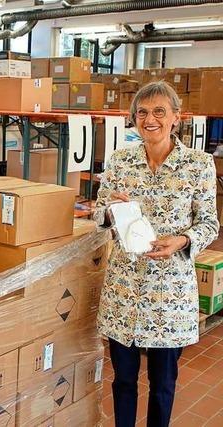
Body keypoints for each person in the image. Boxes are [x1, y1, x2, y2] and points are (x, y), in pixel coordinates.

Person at [93, 80, 219, 427]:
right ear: (134, 118)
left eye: (159, 112)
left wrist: (182, 240)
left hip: (170, 295)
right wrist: (108, 212)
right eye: (143, 113)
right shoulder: (120, 162)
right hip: (124, 289)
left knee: (163, 385)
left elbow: (210, 223)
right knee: (123, 380)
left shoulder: (198, 164)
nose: (150, 119)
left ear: (176, 117)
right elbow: (97, 213)